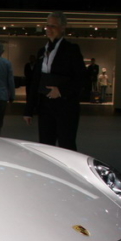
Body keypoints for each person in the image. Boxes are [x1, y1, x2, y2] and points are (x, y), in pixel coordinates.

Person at [23, 12, 87, 151]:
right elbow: (35, 81)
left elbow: (81, 78)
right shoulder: (42, 51)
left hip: (66, 107)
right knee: (46, 146)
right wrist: (29, 109)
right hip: (45, 106)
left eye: (53, 26)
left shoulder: (71, 50)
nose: (49, 29)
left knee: (67, 145)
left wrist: (61, 91)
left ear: (63, 27)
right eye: (47, 25)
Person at [0, 41, 15, 136]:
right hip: (2, 95)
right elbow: (10, 81)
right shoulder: (6, 63)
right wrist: (12, 95)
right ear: (2, 51)